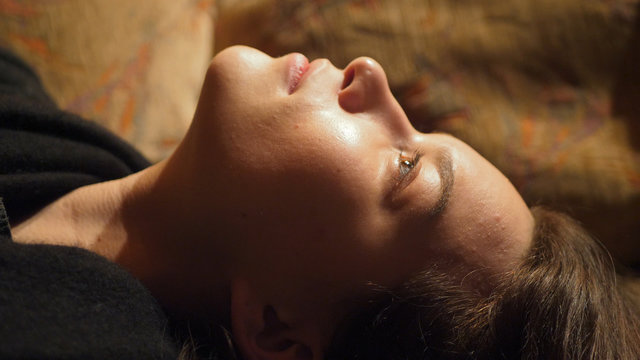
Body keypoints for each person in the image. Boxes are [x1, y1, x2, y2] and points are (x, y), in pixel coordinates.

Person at [2, 45, 639, 359]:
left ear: (279, 332)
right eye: (416, 124)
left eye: (406, 165)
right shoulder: (49, 131)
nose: (374, 76)